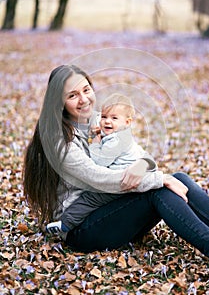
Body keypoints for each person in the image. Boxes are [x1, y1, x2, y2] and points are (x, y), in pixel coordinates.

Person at [23, 64, 209, 274]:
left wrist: (144, 165)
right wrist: (159, 179)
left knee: (179, 178)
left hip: (111, 207)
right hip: (81, 227)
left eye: (86, 90)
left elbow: (139, 154)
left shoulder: (100, 119)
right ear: (58, 102)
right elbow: (99, 178)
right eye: (73, 95)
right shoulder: (60, 141)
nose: (84, 99)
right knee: (158, 190)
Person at [46, 92, 160, 235]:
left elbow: (99, 161)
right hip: (121, 179)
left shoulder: (116, 140)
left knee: (89, 199)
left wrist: (95, 142)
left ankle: (66, 223)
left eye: (114, 118)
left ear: (127, 122)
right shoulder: (121, 134)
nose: (107, 121)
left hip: (122, 182)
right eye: (104, 117)